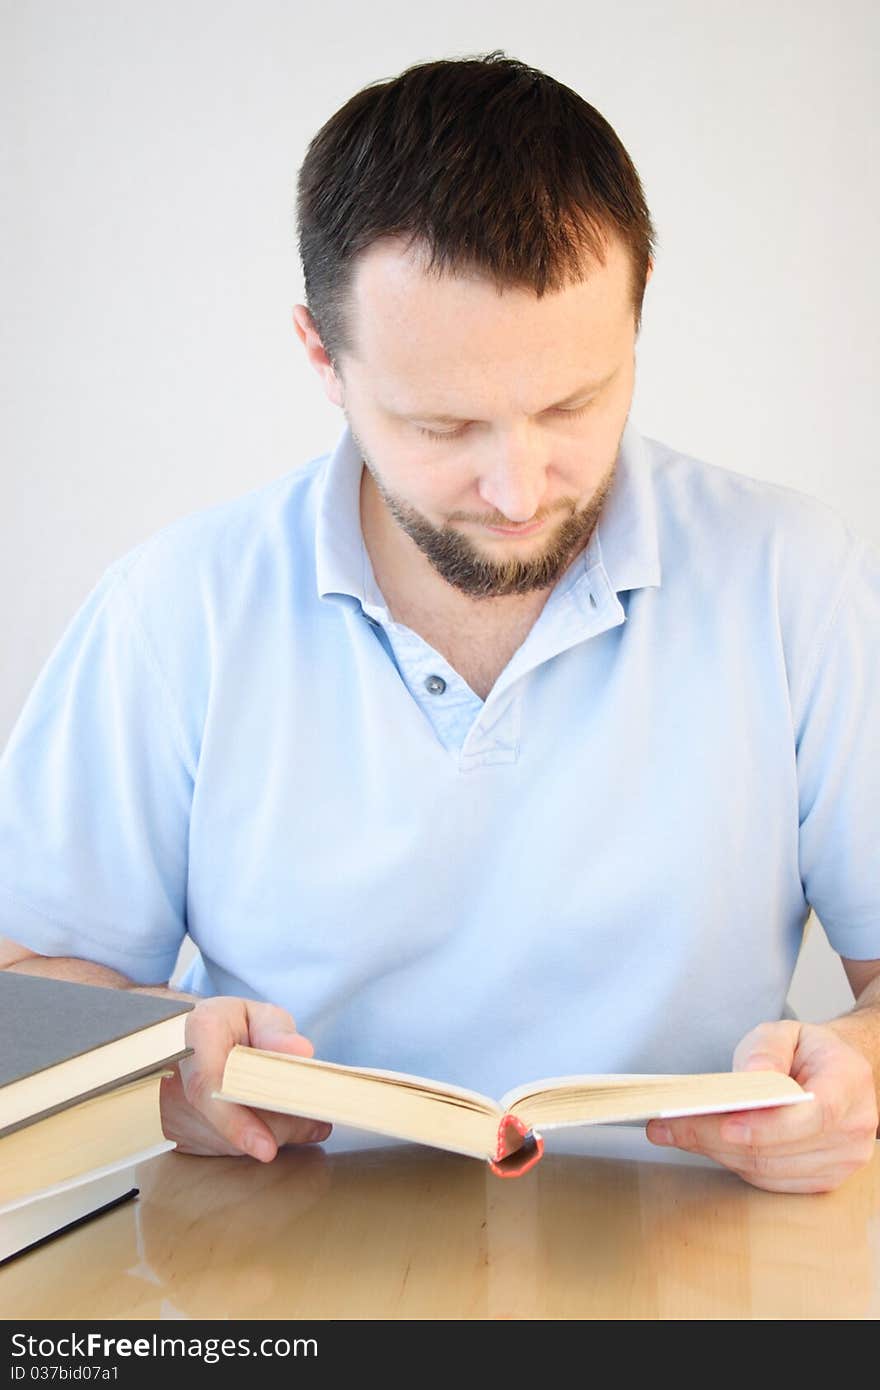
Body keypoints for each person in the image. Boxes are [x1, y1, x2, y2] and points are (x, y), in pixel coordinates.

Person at [1, 52, 878, 1193]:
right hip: (278, 1276)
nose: (518, 491)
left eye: (570, 404)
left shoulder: (797, 581)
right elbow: (29, 980)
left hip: (690, 1251)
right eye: (441, 426)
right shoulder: (175, 611)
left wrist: (855, 1071)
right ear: (322, 355)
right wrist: (166, 1065)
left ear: (640, 302)